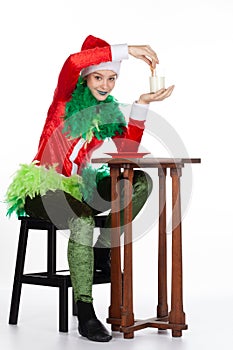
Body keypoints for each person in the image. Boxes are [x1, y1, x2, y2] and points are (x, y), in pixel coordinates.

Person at [6, 35, 174, 342]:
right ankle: (85, 312)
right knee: (81, 220)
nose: (106, 85)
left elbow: (128, 149)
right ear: (86, 78)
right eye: (99, 77)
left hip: (81, 189)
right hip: (44, 188)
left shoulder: (107, 112)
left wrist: (141, 105)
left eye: (111, 78)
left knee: (137, 181)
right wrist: (128, 49)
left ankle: (104, 248)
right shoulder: (64, 101)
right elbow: (72, 62)